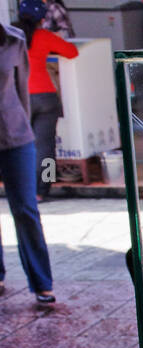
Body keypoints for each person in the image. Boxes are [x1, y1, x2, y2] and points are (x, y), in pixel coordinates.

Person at [0, 20, 56, 304]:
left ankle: (42, 283)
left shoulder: (13, 39)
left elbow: (23, 90)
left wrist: (24, 128)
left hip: (15, 135)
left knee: (25, 208)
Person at [19, 0, 78, 201]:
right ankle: (43, 190)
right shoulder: (44, 36)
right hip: (46, 98)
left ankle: (21, 189)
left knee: (19, 147)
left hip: (19, 99)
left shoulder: (12, 37)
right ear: (42, 19)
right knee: (46, 147)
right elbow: (72, 52)